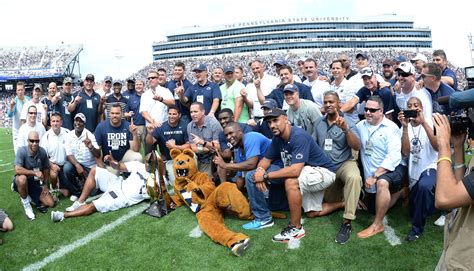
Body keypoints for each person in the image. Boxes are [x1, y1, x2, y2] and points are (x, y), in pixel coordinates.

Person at [254, 108, 336, 242]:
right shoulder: (277, 138)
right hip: (309, 172)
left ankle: (296, 228)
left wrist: (265, 176)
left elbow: (295, 171)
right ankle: (343, 203)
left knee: (290, 181)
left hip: (324, 172)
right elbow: (266, 160)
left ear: (286, 119)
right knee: (311, 213)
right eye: (269, 122)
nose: (272, 125)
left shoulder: (298, 135)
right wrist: (259, 171)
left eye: (275, 120)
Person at [215, 123, 285, 229]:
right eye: (226, 135)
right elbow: (239, 178)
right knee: (274, 204)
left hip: (281, 168)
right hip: (267, 174)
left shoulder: (251, 137)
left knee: (251, 176)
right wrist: (235, 200)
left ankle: (264, 219)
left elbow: (251, 164)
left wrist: (225, 165)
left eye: (231, 133)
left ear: (240, 132)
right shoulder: (239, 151)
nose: (229, 137)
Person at [313, 91, 362, 244]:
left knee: (354, 177)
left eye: (331, 102)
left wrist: (346, 129)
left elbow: (356, 146)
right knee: (329, 200)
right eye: (326, 102)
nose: (328, 105)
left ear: (339, 104)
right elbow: (314, 145)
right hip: (326, 167)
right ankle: (351, 198)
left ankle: (347, 222)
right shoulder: (319, 123)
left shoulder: (347, 121)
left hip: (344, 163)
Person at [354, 96, 404, 238]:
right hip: (369, 175)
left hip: (391, 169)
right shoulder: (360, 126)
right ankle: (401, 193)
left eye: (372, 110)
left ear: (381, 111)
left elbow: (393, 157)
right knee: (372, 209)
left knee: (382, 183)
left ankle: (377, 225)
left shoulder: (391, 128)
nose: (368, 112)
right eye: (366, 109)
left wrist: (375, 175)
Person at [51, 154, 153, 221]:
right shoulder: (139, 165)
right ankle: (79, 202)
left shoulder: (158, 179)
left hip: (122, 197)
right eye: (147, 161)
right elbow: (119, 167)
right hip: (118, 183)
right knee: (95, 170)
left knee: (93, 205)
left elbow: (157, 196)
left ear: (155, 164)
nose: (147, 164)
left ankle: (63, 215)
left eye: (150, 162)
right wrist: (112, 161)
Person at [433, 113, 473, 270]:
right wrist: (457, 147)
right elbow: (461, 187)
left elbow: (445, 198)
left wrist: (443, 145)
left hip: (466, 257)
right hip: (459, 244)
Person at [399, 97, 438, 242]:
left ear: (422, 107)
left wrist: (423, 123)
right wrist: (404, 127)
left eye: (416, 105)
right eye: (410, 105)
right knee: (415, 208)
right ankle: (438, 206)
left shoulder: (431, 122)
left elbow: (437, 147)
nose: (413, 107)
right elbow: (406, 152)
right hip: (414, 172)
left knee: (424, 186)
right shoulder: (405, 126)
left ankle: (416, 230)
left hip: (430, 166)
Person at [13, 131, 55, 220]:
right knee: (22, 179)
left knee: (50, 203)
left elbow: (46, 169)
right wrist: (34, 173)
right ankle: (26, 205)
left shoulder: (42, 151)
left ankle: (29, 196)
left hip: (35, 182)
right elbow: (17, 169)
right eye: (32, 141)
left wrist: (45, 185)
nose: (34, 143)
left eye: (37, 141)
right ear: (28, 141)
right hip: (24, 179)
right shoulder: (22, 151)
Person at [146, 105, 190, 187]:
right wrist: (149, 133)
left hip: (183, 157)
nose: (171, 116)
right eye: (170, 114)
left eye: (174, 114)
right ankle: (166, 176)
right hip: (169, 160)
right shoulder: (161, 127)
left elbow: (189, 146)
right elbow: (150, 142)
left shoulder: (185, 126)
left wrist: (174, 146)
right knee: (177, 183)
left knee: (188, 178)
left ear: (179, 115)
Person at [94, 104, 142, 174]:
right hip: (110, 161)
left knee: (138, 157)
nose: (114, 116)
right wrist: (101, 167)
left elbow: (135, 150)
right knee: (111, 180)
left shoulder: (128, 126)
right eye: (112, 113)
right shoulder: (101, 127)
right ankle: (117, 171)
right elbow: (97, 151)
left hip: (124, 158)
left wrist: (134, 134)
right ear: (109, 114)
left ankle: (129, 174)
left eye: (117, 113)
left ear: (122, 114)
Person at [64, 113, 101, 201]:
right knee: (66, 168)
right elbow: (69, 154)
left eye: (81, 121)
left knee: (93, 193)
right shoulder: (69, 135)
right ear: (74, 122)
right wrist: (77, 165)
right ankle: (76, 192)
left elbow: (98, 154)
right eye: (76, 120)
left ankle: (84, 183)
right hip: (76, 164)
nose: (78, 123)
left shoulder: (90, 135)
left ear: (84, 124)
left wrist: (90, 146)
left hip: (89, 167)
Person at [187, 102, 222, 178]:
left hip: (216, 155)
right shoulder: (190, 126)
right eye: (191, 112)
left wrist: (202, 143)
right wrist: (207, 148)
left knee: (206, 179)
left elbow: (218, 147)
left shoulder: (213, 123)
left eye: (195, 111)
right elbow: (194, 148)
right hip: (200, 157)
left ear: (203, 112)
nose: (193, 114)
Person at [40, 113, 70, 196]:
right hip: (53, 165)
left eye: (57, 121)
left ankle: (62, 185)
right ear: (50, 123)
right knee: (53, 175)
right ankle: (54, 187)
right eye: (53, 121)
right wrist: (52, 165)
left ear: (61, 122)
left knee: (67, 194)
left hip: (66, 164)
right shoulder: (46, 136)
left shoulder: (67, 132)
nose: (55, 123)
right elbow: (43, 156)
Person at [8, 81, 31, 154]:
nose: (20, 92)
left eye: (21, 90)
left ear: (24, 90)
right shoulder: (14, 101)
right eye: (18, 90)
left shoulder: (28, 99)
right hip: (17, 132)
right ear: (16, 91)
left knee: (28, 154)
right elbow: (9, 115)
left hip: (27, 131)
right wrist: (11, 106)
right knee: (18, 154)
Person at [124, 79, 146, 150]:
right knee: (135, 150)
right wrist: (128, 114)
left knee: (148, 151)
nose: (138, 86)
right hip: (136, 127)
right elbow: (125, 113)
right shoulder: (131, 98)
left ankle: (147, 161)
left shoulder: (148, 96)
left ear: (144, 86)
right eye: (137, 85)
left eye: (140, 84)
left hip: (147, 126)